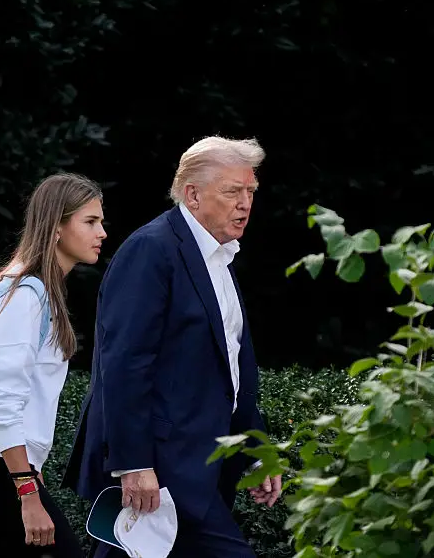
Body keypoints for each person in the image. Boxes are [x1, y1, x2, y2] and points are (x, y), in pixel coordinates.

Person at [63, 136, 282, 557]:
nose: (245, 203)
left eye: (250, 191)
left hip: (199, 466)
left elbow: (233, 367)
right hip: (162, 469)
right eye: (232, 191)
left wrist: (257, 451)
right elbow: (124, 363)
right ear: (193, 194)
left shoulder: (220, 256)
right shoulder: (151, 250)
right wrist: (134, 463)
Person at [0, 172, 107, 557]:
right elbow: (0, 399)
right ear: (56, 227)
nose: (102, 232)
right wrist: (26, 490)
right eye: (90, 221)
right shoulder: (26, 295)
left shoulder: (22, 290)